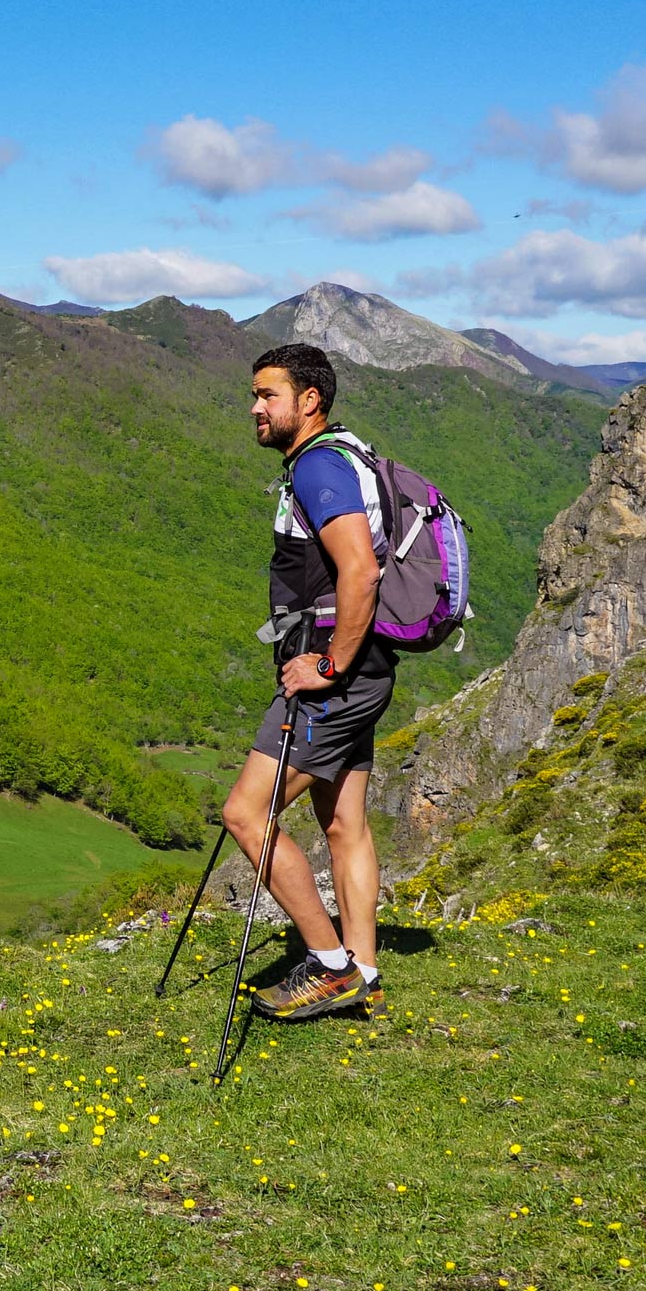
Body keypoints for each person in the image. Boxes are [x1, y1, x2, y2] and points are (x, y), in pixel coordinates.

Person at [221, 341, 393, 1021]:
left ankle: (328, 966)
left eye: (268, 396)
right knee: (343, 821)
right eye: (255, 396)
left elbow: (360, 570)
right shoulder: (345, 455)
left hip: (335, 678)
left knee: (246, 813)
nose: (256, 409)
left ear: (309, 401)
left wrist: (328, 666)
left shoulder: (321, 469)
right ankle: (365, 970)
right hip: (368, 669)